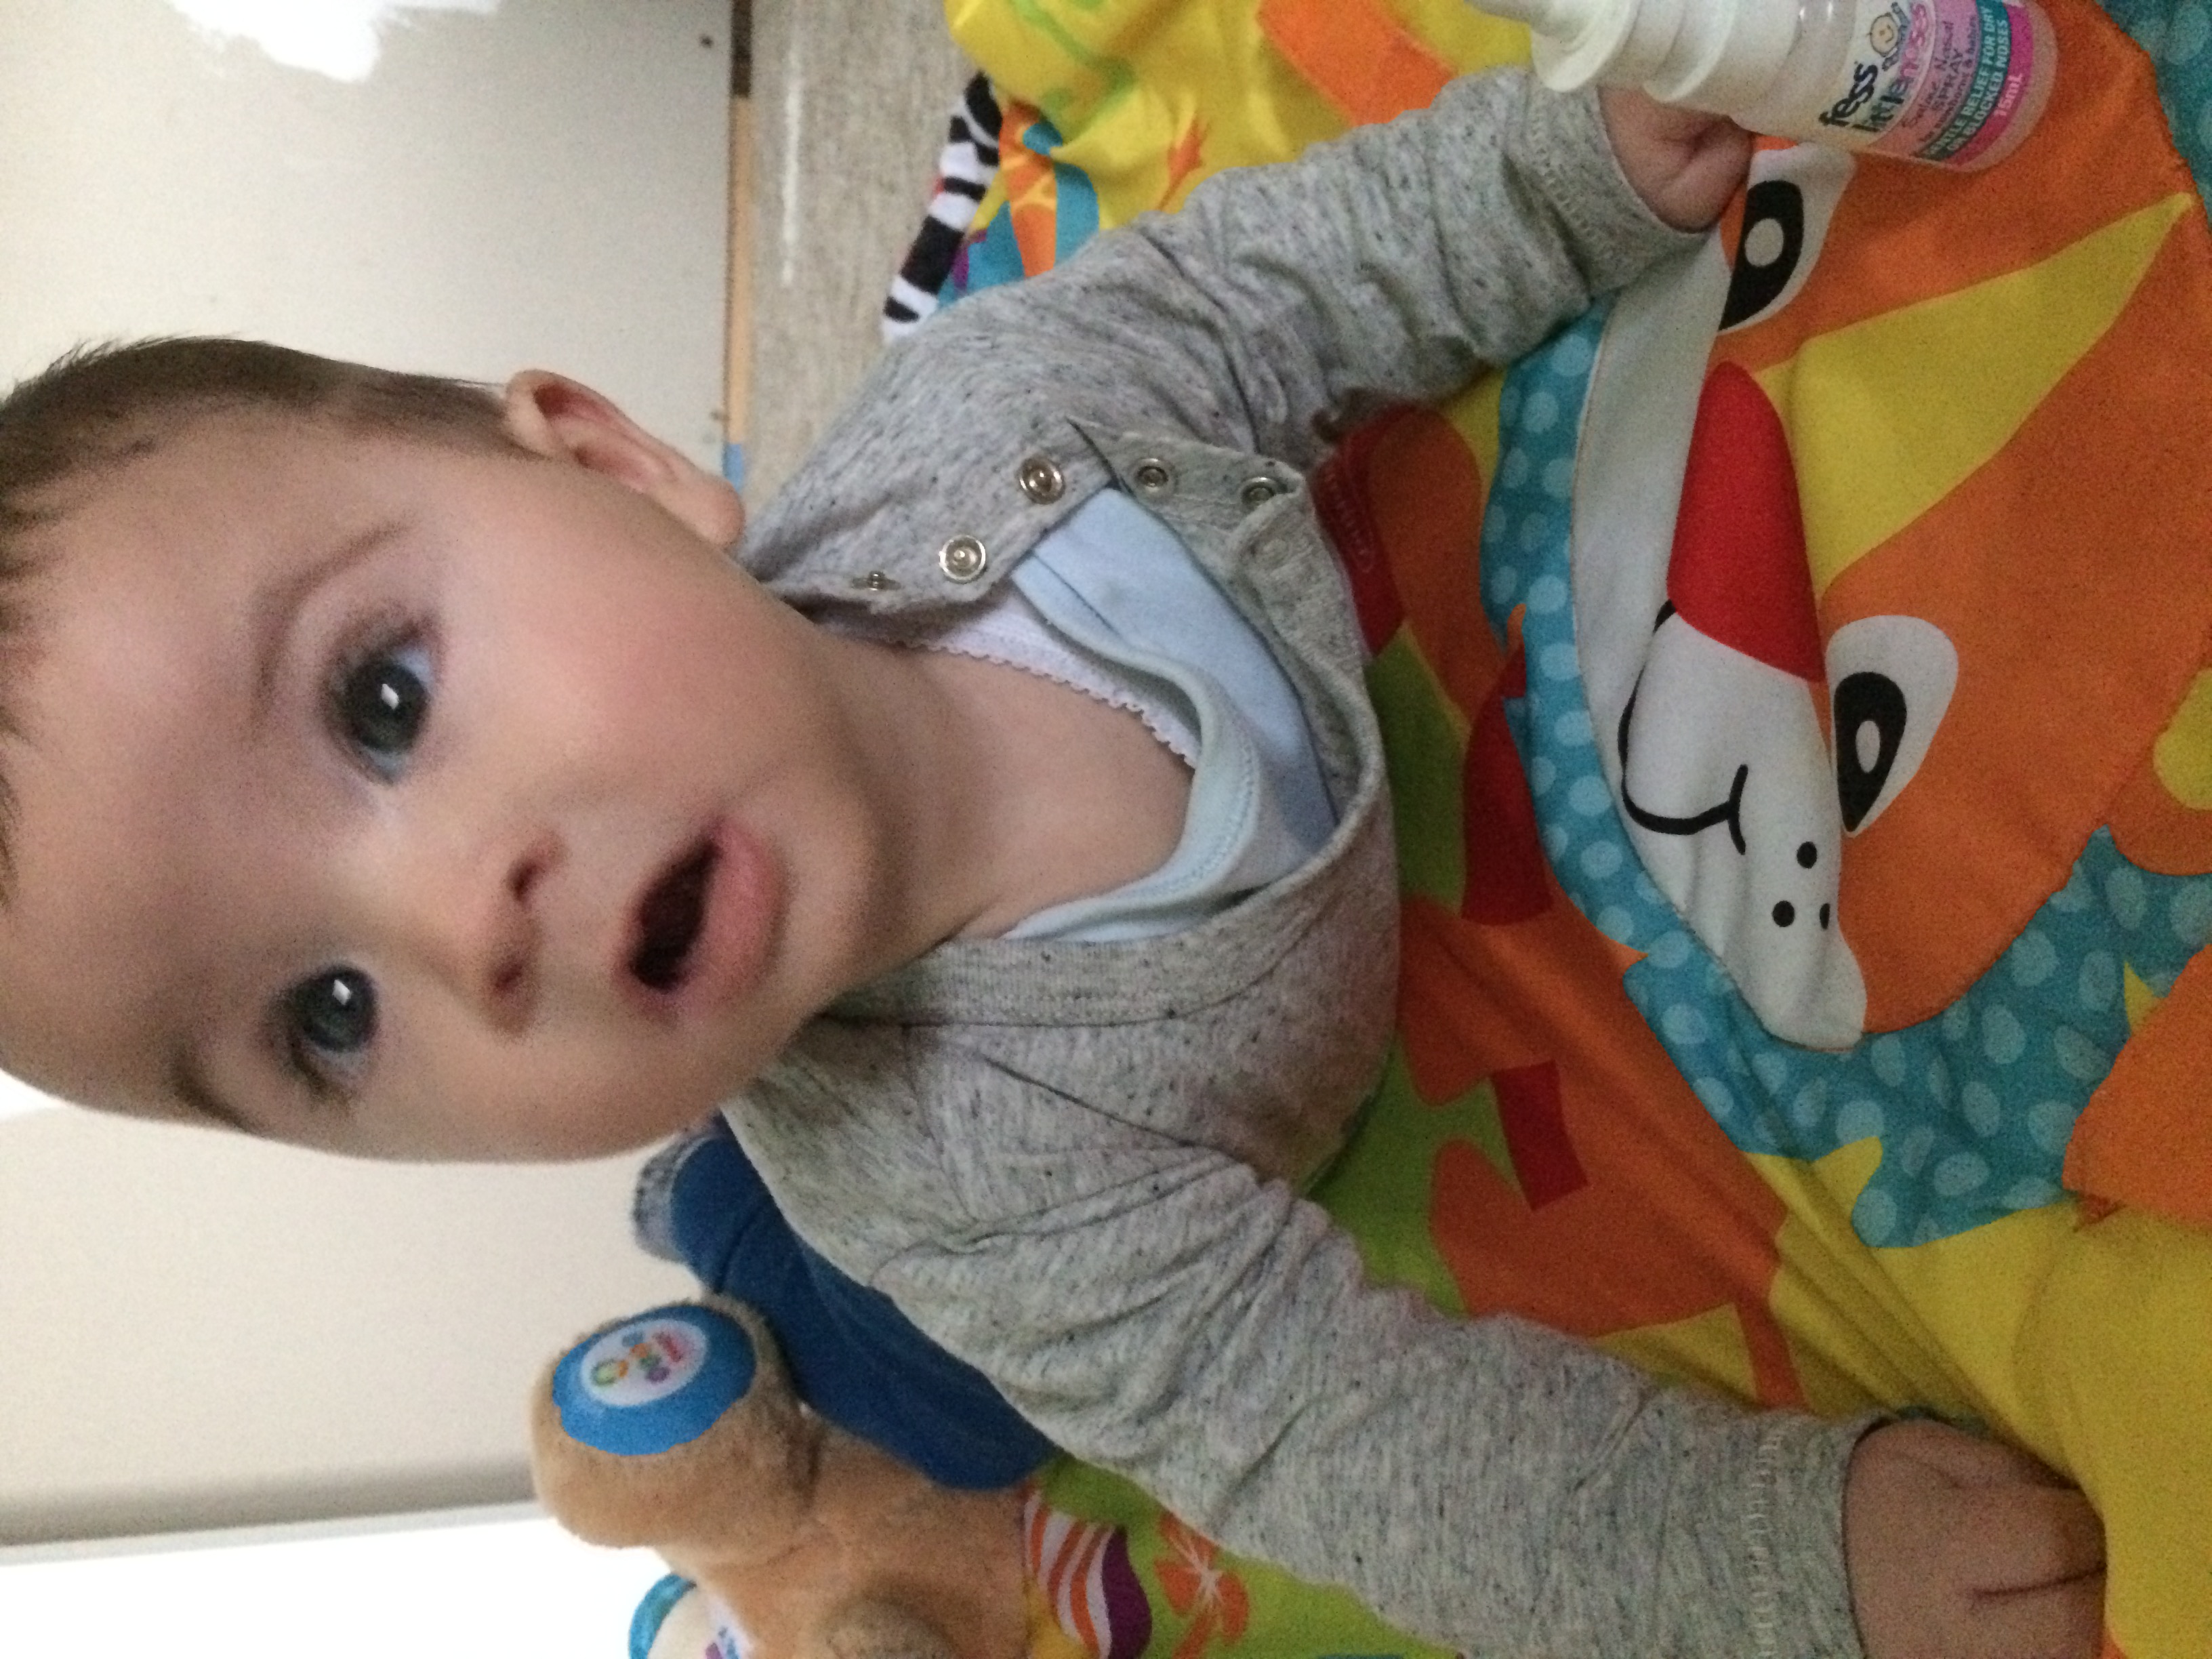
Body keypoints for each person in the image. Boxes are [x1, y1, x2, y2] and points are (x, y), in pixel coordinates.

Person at [0, 66, 2100, 1659]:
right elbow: (1347, 1442)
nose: (459, 920)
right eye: (325, 1015)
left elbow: (1273, 292)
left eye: (382, 698)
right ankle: (731, 1246)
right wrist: (1789, 1559)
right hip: (934, 1281)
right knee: (950, 1412)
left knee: (747, 1208)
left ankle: (705, 1210)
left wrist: (1557, 174)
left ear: (619, 465)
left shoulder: (997, 422)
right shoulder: (987, 1206)